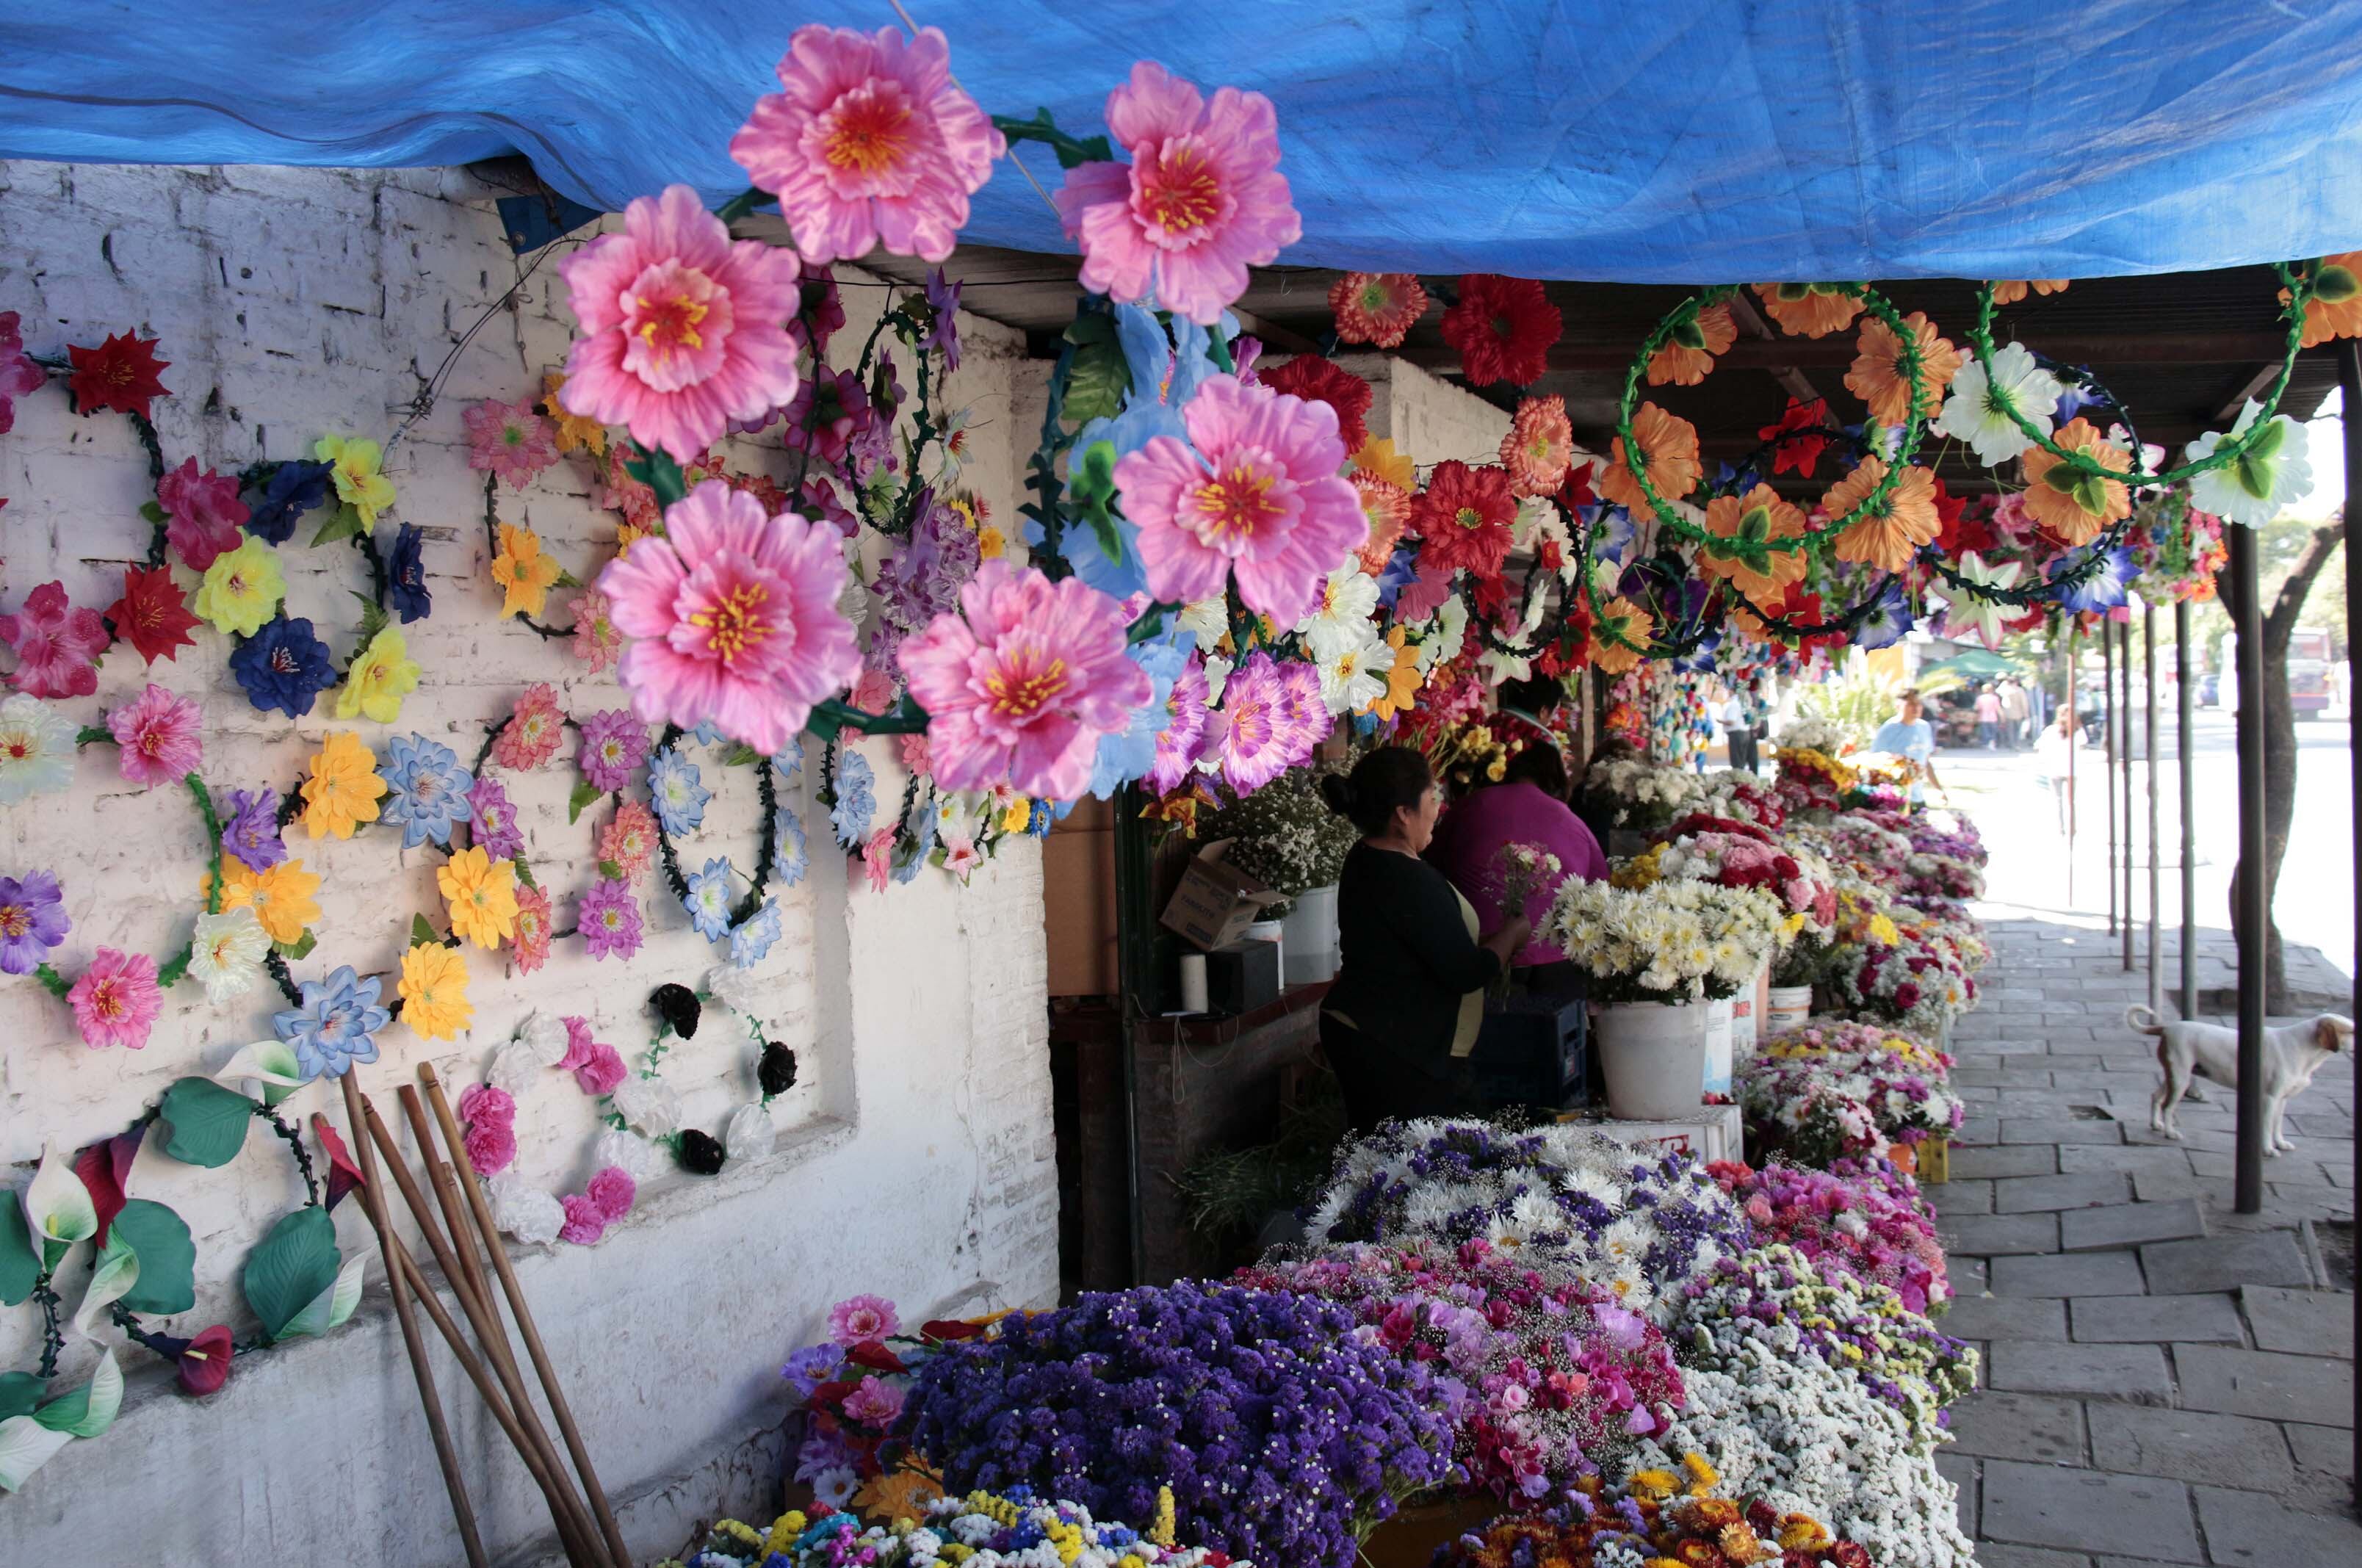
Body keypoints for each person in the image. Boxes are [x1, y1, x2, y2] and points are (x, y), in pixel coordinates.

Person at [1318, 747, 1531, 1132]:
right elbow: (1465, 972)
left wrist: (1487, 939)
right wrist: (1511, 935)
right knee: (1406, 1168)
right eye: (1432, 797)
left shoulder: (1372, 857)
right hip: (1389, 1045)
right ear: (1403, 814)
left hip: (1377, 1034)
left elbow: (1423, 942)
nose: (1438, 807)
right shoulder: (1402, 876)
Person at [1425, 741, 1608, 988]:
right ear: (1556, 780)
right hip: (1554, 961)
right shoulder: (1573, 822)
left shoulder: (1469, 806)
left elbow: (1433, 868)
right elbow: (1601, 892)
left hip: (1476, 953)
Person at [1870, 688, 1944, 802]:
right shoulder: (1889, 729)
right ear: (1898, 706)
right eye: (1911, 704)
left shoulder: (1924, 727)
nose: (1916, 708)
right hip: (1895, 797)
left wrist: (1939, 789)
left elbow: (1926, 761)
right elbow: (1875, 761)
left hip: (1917, 797)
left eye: (1918, 704)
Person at [2033, 705, 2077, 832]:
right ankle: (2072, 826)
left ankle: (2061, 827)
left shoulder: (2050, 730)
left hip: (2054, 768)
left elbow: (2038, 746)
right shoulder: (2077, 731)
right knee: (2071, 800)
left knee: (2058, 799)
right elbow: (2082, 744)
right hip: (2071, 769)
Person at [1719, 684, 1757, 772]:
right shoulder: (1744, 703)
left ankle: (1738, 779)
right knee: (1742, 759)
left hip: (1737, 734)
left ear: (1732, 691)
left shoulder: (1734, 704)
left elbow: (1731, 721)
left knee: (1737, 761)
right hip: (1745, 733)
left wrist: (1719, 721)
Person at [1999, 677, 2031, 748]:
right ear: (2016, 682)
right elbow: (2024, 703)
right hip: (2018, 713)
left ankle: (2011, 743)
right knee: (2017, 729)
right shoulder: (2020, 690)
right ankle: (2017, 744)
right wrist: (2026, 713)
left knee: (2010, 730)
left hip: (2007, 713)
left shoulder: (2005, 690)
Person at [1973, 683, 2001, 749]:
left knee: (1985, 731)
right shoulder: (1995, 698)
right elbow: (1998, 708)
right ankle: (1992, 742)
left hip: (1983, 717)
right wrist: (2002, 717)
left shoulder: (1980, 698)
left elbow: (1976, 708)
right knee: (1993, 731)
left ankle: (1987, 742)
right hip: (1993, 717)